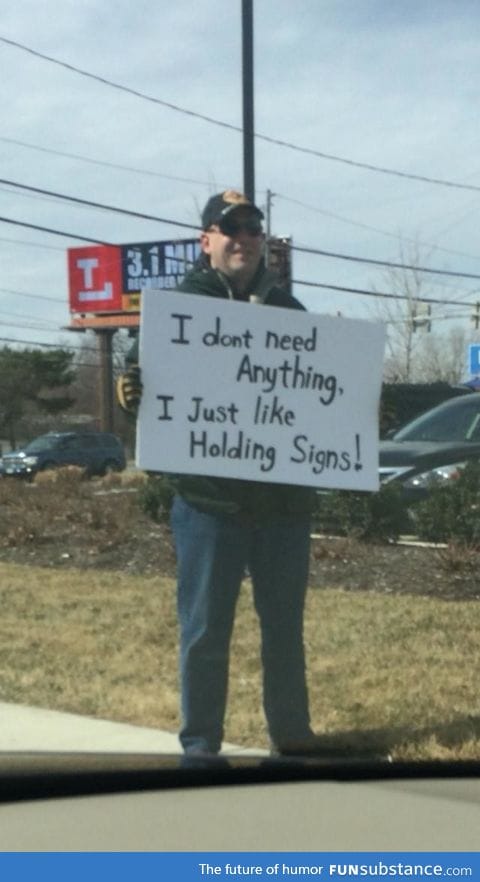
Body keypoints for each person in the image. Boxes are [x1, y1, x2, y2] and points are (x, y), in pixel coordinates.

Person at [117, 189, 318, 757]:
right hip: (208, 505)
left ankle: (293, 735)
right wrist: (133, 393)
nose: (243, 239)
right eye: (230, 229)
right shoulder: (177, 311)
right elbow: (146, 385)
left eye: (253, 229)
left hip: (283, 508)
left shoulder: (289, 314)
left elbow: (315, 400)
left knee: (285, 631)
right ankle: (201, 744)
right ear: (206, 240)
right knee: (206, 631)